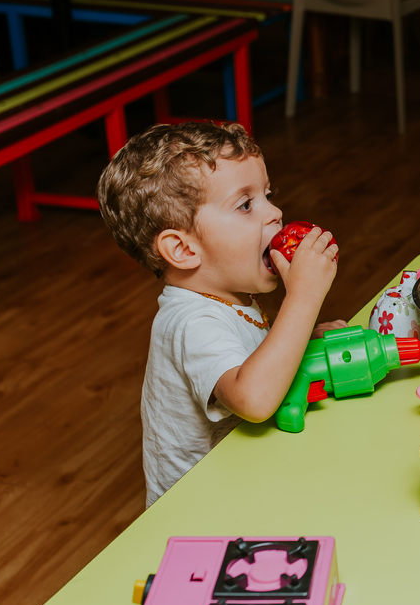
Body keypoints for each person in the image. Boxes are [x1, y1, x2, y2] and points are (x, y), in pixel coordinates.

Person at [97, 122, 345, 507]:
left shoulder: (229, 297)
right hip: (200, 513)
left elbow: (251, 361)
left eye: (267, 195)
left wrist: (303, 342)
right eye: (245, 205)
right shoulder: (190, 322)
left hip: (243, 485)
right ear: (183, 250)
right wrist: (304, 298)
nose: (275, 212)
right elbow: (253, 398)